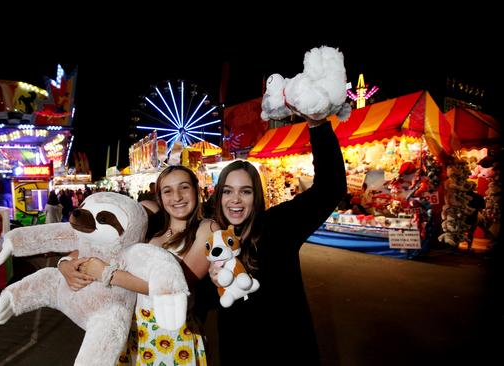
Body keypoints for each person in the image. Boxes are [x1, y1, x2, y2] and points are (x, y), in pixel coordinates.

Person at [208, 117, 346, 365]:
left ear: (256, 196)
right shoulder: (213, 239)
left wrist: (317, 124)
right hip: (236, 353)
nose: (235, 200)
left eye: (245, 191)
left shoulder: (278, 225)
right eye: (228, 191)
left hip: (286, 351)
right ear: (219, 196)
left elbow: (330, 188)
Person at [59, 165, 219, 365]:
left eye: (184, 187)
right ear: (159, 196)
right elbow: (95, 243)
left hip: (173, 336)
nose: (177, 197)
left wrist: (107, 274)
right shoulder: (150, 223)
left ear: (196, 190)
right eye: (167, 191)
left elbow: (177, 285)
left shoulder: (207, 228)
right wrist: (64, 264)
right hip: (133, 333)